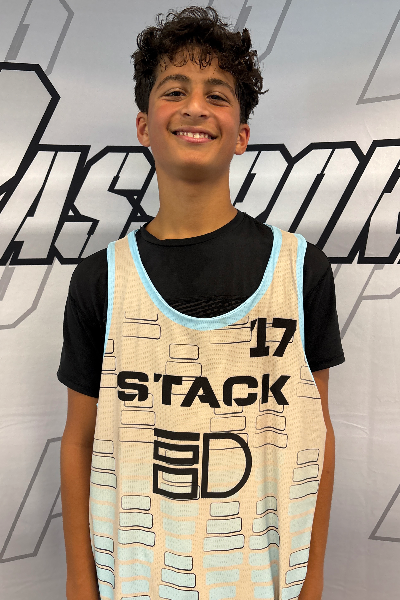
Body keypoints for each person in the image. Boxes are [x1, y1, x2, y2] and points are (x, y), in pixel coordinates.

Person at [58, 6, 344, 600]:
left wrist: (312, 580)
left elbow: (315, 437)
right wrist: (80, 584)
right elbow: (80, 441)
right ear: (144, 126)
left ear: (241, 135)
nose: (195, 106)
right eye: (174, 90)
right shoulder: (100, 280)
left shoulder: (300, 272)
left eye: (217, 94)